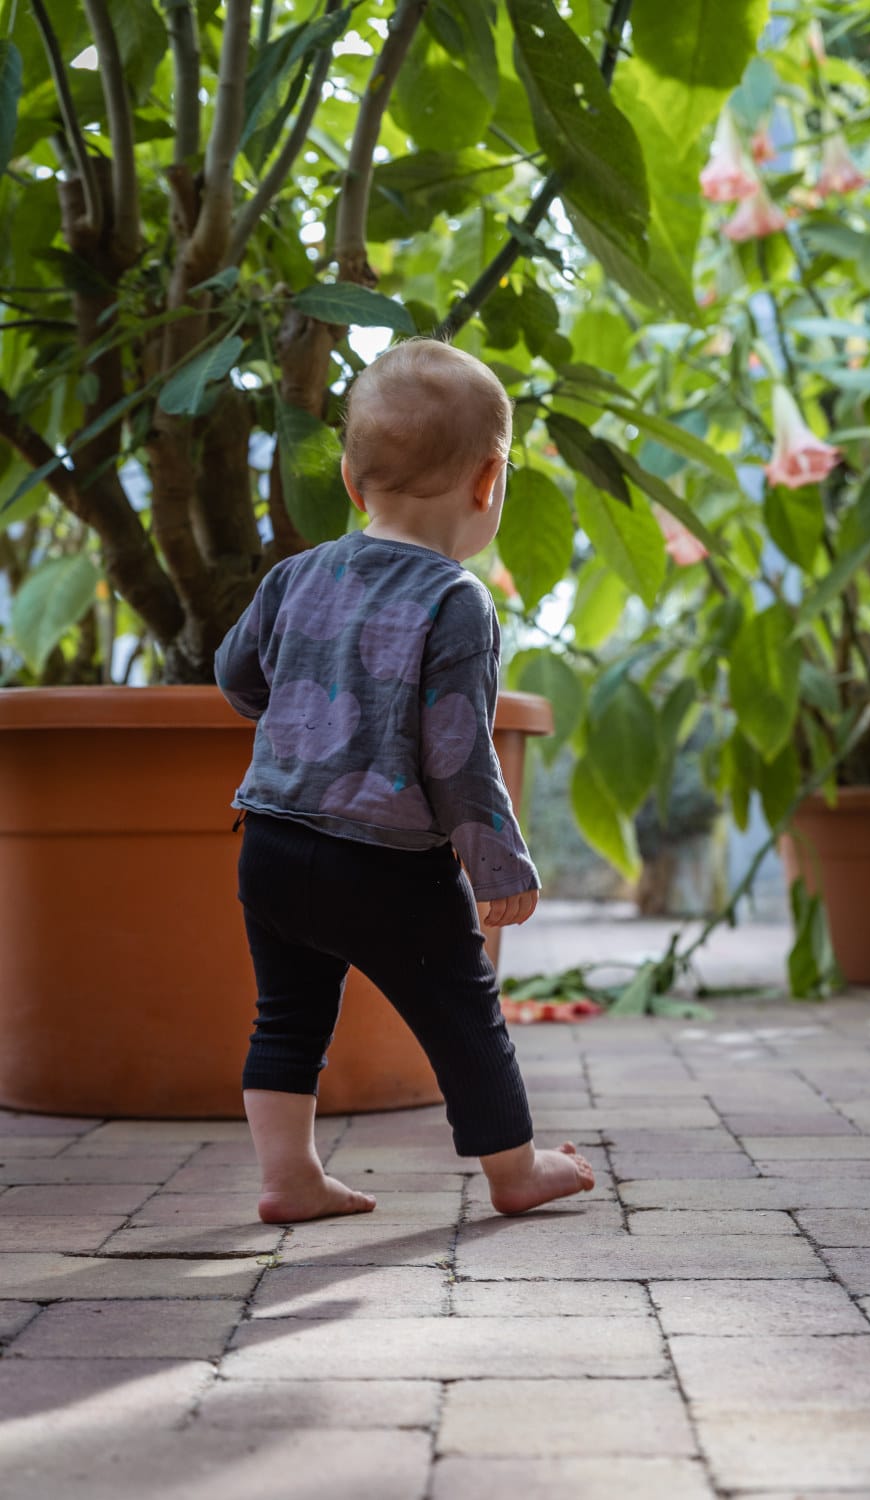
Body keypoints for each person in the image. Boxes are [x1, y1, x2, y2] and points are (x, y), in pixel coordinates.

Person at [215, 338, 595, 1225]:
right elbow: (458, 754)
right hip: (381, 863)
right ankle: (514, 1171)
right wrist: (498, 864)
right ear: (488, 481)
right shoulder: (455, 598)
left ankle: (289, 1177)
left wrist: (307, 719)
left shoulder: (293, 576)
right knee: (464, 1012)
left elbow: (238, 678)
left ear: (351, 480)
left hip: (269, 844)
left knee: (288, 1017)